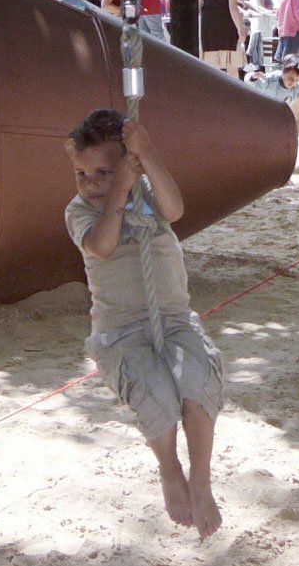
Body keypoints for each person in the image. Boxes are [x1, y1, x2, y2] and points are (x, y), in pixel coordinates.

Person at [65, 109, 224, 539]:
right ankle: (170, 470)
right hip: (120, 331)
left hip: (172, 318)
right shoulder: (80, 212)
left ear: (129, 167)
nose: (91, 183)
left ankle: (202, 479)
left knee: (195, 383)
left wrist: (147, 154)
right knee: (155, 395)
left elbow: (175, 210)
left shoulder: (148, 195)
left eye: (103, 171)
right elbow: (101, 245)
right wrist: (117, 191)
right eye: (82, 173)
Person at [199, 0, 248, 78]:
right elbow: (233, 8)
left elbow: (199, 6)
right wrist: (241, 29)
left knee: (211, 62)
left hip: (208, 25)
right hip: (226, 25)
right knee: (231, 63)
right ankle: (234, 92)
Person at [245, 0, 275, 70]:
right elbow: (260, 7)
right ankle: (264, 68)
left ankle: (268, 67)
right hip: (262, 23)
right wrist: (269, 12)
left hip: (269, 22)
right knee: (263, 46)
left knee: (268, 46)